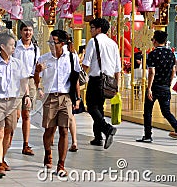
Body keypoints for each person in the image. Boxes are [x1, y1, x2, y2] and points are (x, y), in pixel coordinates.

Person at [0, 33, 30, 179]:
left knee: (9, 132)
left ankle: (2, 157)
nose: (14, 48)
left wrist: (26, 96)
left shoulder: (17, 63)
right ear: (2, 47)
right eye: (11, 45)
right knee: (0, 133)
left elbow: (23, 81)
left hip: (13, 102)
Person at [36, 30, 81, 176]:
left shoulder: (71, 57)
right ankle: (48, 152)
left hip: (65, 97)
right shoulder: (44, 59)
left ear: (62, 43)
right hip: (50, 97)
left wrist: (78, 99)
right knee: (49, 130)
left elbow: (75, 79)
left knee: (64, 130)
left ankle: (61, 164)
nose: (50, 45)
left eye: (53, 42)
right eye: (49, 42)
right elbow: (36, 79)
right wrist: (37, 72)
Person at [82, 18, 120, 149]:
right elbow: (117, 68)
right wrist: (117, 85)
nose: (91, 30)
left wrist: (81, 76)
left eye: (92, 27)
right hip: (108, 81)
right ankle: (98, 137)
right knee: (99, 107)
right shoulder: (113, 44)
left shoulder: (94, 41)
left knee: (91, 106)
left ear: (99, 29)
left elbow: (86, 63)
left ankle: (107, 128)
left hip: (96, 79)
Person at [137, 31, 177, 145]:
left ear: (155, 40)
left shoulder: (152, 54)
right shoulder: (171, 54)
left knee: (148, 111)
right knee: (166, 111)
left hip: (155, 86)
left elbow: (152, 72)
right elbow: (173, 70)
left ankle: (147, 135)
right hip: (165, 86)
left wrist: (149, 88)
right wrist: (169, 83)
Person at [12, 21, 39, 156]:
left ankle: (26, 144)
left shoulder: (35, 48)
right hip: (16, 82)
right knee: (15, 115)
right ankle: (8, 140)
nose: (27, 33)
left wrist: (38, 86)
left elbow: (37, 69)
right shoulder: (15, 46)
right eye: (25, 30)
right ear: (20, 32)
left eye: (30, 30)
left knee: (26, 114)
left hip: (30, 81)